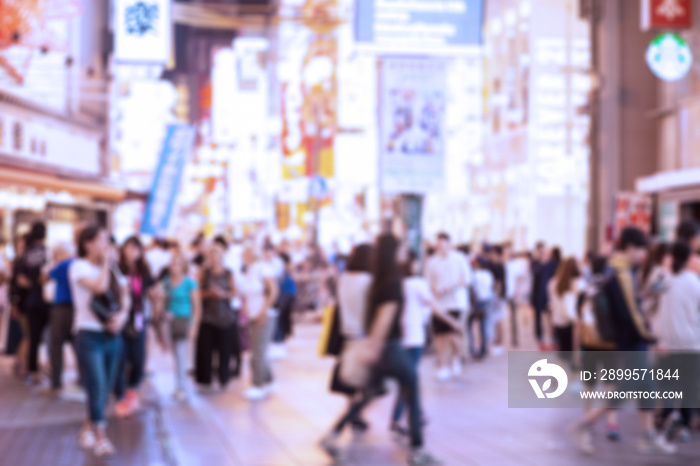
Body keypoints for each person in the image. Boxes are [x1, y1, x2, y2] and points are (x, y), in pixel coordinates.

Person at [322, 234, 442, 466]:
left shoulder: (377, 279)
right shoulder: (391, 281)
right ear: (394, 252)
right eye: (402, 248)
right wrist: (374, 346)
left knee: (369, 394)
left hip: (382, 348)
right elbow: (384, 316)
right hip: (391, 347)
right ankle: (417, 450)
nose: (405, 253)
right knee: (412, 391)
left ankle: (332, 435)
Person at [573, 226, 675, 455]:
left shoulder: (616, 270)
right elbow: (631, 314)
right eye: (640, 250)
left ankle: (648, 436)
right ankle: (584, 425)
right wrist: (651, 338)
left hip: (628, 340)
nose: (642, 256)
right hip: (631, 341)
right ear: (630, 247)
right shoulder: (621, 273)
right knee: (624, 389)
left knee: (645, 387)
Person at [70, 225, 130, 457]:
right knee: (96, 384)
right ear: (88, 244)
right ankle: (101, 438)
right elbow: (100, 287)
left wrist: (122, 318)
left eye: (108, 240)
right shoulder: (78, 266)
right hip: (88, 333)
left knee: (104, 388)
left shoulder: (113, 267)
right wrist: (106, 263)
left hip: (113, 333)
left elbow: (125, 295)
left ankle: (88, 429)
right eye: (102, 240)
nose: (107, 245)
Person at [391, 252, 460, 435]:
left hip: (401, 335)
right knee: (409, 379)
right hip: (414, 336)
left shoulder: (398, 284)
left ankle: (415, 415)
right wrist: (452, 322)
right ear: (412, 265)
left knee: (409, 377)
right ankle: (398, 419)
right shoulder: (417, 284)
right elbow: (434, 307)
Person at [655, 241, 700, 443]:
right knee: (689, 385)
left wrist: (663, 269)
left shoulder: (665, 279)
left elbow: (650, 292)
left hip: (669, 342)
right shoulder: (694, 282)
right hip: (692, 342)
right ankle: (684, 425)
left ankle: (667, 418)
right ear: (689, 258)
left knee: (669, 384)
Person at [327, 243, 374, 435]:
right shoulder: (368, 280)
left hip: (346, 333)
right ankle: (352, 416)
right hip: (363, 333)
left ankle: (354, 412)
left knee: (350, 376)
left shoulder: (343, 279)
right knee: (367, 379)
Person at [114, 236, 156, 417]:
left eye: (136, 248)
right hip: (121, 319)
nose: (132, 252)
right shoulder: (117, 270)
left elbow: (154, 290)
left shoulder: (144, 271)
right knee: (121, 358)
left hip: (139, 318)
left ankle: (132, 390)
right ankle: (121, 396)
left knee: (138, 358)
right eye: (129, 248)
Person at [424, 232, 471, 380]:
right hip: (439, 304)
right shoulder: (432, 262)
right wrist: (435, 291)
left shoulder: (459, 259)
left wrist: (452, 287)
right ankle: (443, 365)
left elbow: (467, 279)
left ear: (449, 244)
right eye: (439, 245)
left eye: (444, 245)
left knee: (453, 335)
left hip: (456, 302)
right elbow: (428, 282)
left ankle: (456, 358)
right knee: (439, 336)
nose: (441, 248)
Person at [195, 238, 238, 390]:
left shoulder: (228, 273)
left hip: (224, 317)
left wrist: (222, 294)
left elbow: (235, 292)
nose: (214, 258)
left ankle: (223, 378)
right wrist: (209, 293)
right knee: (205, 350)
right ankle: (205, 380)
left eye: (217, 255)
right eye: (211, 255)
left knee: (224, 351)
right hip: (208, 317)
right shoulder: (204, 272)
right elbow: (197, 293)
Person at [238, 245, 279, 400]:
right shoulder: (249, 271)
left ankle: (258, 385)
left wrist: (263, 311)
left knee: (258, 353)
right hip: (253, 314)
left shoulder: (262, 269)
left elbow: (273, 291)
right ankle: (269, 380)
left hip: (264, 315)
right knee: (257, 350)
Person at [163, 251, 201, 400]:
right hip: (171, 321)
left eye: (177, 263)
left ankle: (182, 386)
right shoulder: (167, 281)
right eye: (173, 263)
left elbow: (197, 307)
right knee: (175, 354)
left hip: (184, 320)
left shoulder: (190, 282)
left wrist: (194, 326)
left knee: (180, 354)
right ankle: (178, 385)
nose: (174, 266)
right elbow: (165, 300)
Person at [16, 222, 50, 384]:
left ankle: (33, 371)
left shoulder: (26, 255)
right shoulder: (49, 252)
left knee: (33, 337)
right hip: (49, 302)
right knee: (50, 338)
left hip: (32, 301)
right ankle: (51, 367)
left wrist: (33, 286)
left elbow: (21, 280)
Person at [47, 242, 77, 394]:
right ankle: (83, 380)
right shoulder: (77, 264)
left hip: (63, 309)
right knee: (76, 345)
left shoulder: (62, 265)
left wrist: (55, 261)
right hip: (76, 309)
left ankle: (56, 382)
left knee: (55, 345)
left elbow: (46, 276)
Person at [547, 257, 584, 369]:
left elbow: (551, 304)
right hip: (572, 322)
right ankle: (572, 373)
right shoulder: (578, 283)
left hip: (558, 320)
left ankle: (558, 372)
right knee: (573, 350)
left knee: (562, 349)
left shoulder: (553, 282)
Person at [8, 234, 29, 376]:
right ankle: (22, 364)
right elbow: (14, 286)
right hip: (21, 304)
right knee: (26, 335)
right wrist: (14, 304)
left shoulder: (23, 261)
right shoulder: (18, 262)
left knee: (25, 335)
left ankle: (21, 362)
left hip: (25, 303)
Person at [639, 242, 671, 329]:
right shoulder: (661, 272)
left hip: (643, 312)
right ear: (665, 256)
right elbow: (658, 290)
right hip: (653, 315)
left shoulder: (645, 269)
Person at [468, 258, 494, 359]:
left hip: (476, 302)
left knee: (470, 326)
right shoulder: (488, 274)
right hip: (487, 300)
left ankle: (471, 349)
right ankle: (483, 349)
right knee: (483, 326)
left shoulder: (474, 275)